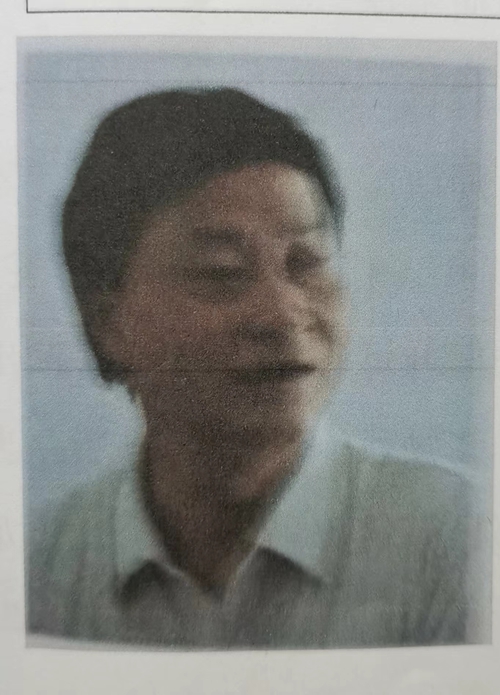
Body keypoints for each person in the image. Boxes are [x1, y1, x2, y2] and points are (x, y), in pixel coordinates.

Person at [27, 87, 471, 648]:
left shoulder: (457, 540)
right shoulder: (36, 564)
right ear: (109, 323)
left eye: (306, 262)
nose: (282, 314)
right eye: (222, 271)